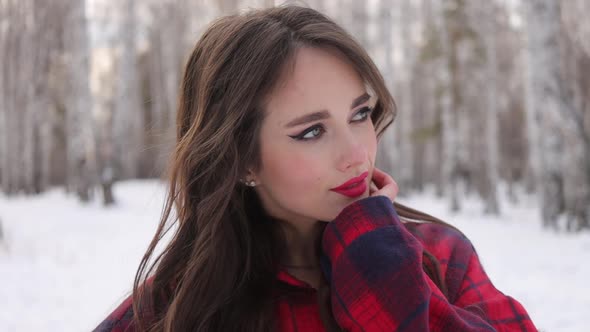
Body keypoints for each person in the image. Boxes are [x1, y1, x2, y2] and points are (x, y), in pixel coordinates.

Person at [94, 5, 537, 332]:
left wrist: (376, 259)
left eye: (359, 115)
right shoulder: (178, 306)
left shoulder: (439, 257)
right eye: (311, 132)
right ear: (243, 159)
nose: (356, 154)